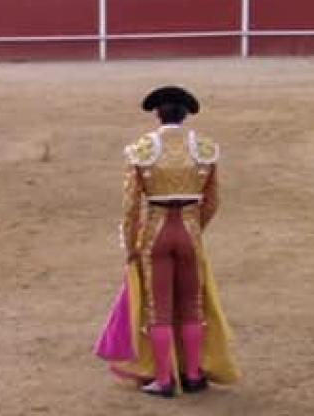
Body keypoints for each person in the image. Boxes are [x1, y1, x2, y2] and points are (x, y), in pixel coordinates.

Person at [95, 86, 240, 398]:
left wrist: (132, 244)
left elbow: (131, 205)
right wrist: (194, 227)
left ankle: (163, 380)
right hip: (189, 230)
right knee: (192, 305)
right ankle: (192, 375)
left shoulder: (142, 149)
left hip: (156, 231)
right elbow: (213, 201)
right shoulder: (204, 148)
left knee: (157, 309)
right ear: (185, 115)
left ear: (157, 114)